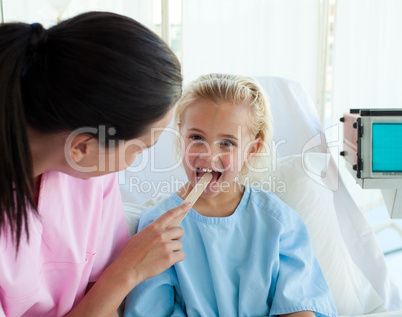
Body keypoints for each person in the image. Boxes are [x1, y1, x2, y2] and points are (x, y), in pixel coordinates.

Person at [0, 11, 191, 317]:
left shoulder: (91, 177)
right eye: (139, 149)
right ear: (82, 147)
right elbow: (108, 285)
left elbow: (98, 293)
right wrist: (126, 272)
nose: (132, 163)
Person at [124, 73, 338, 317]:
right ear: (180, 134)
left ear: (251, 149)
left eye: (227, 143)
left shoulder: (277, 221)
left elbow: (300, 306)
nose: (208, 155)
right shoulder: (158, 227)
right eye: (196, 138)